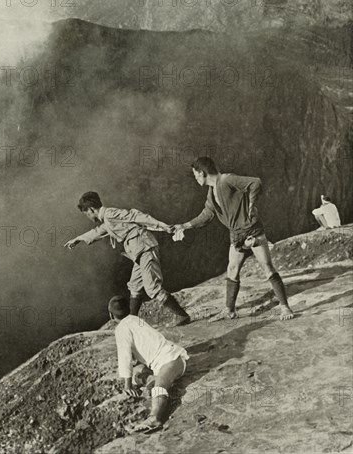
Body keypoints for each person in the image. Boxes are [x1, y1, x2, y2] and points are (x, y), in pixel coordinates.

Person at [173, 157, 294, 321]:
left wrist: (251, 205)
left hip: (252, 231)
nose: (195, 179)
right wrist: (184, 226)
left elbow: (255, 183)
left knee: (267, 266)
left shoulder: (226, 179)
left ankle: (285, 307)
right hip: (236, 235)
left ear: (202, 173)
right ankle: (229, 310)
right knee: (232, 269)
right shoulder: (211, 192)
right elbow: (207, 215)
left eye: (195, 175)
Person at [65, 192, 190, 325]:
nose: (88, 217)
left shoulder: (110, 214)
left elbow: (136, 215)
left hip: (144, 248)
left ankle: (181, 315)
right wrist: (78, 239)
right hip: (138, 252)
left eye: (87, 213)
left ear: (90, 209)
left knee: (152, 287)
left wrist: (161, 225)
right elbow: (99, 231)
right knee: (135, 286)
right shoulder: (107, 219)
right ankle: (132, 323)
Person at [108, 295, 189, 433]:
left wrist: (127, 385)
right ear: (128, 309)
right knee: (139, 372)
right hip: (167, 358)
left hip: (170, 360)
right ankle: (152, 381)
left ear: (111, 315)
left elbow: (124, 356)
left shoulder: (121, 329)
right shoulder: (135, 319)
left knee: (159, 386)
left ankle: (154, 418)